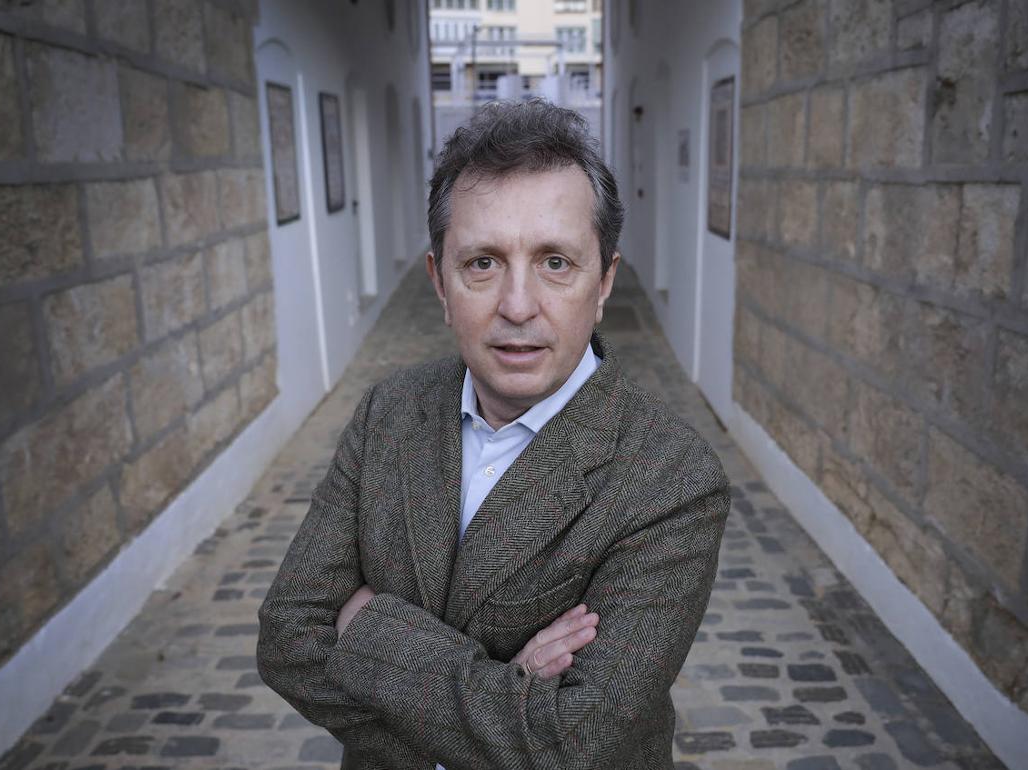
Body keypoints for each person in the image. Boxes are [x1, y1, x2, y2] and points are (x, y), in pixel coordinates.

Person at [257, 99, 731, 770]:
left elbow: (573, 743)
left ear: (604, 283)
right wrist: (508, 694)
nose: (516, 305)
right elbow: (286, 637)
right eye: (482, 263)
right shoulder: (388, 413)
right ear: (440, 283)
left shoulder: (673, 478)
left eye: (555, 263)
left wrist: (366, 625)